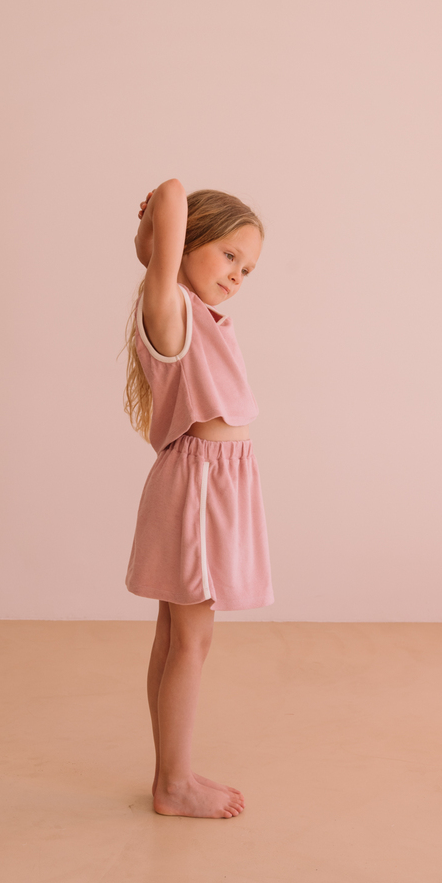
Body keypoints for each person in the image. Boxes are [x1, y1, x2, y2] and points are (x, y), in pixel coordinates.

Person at [123, 178, 274, 818]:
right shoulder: (169, 306)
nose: (237, 274)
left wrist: (155, 236)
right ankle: (175, 785)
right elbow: (172, 191)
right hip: (200, 486)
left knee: (176, 636)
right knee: (191, 640)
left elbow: (165, 224)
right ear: (187, 242)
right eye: (229, 255)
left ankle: (171, 775)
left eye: (248, 268)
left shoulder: (198, 313)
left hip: (211, 481)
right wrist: (155, 226)